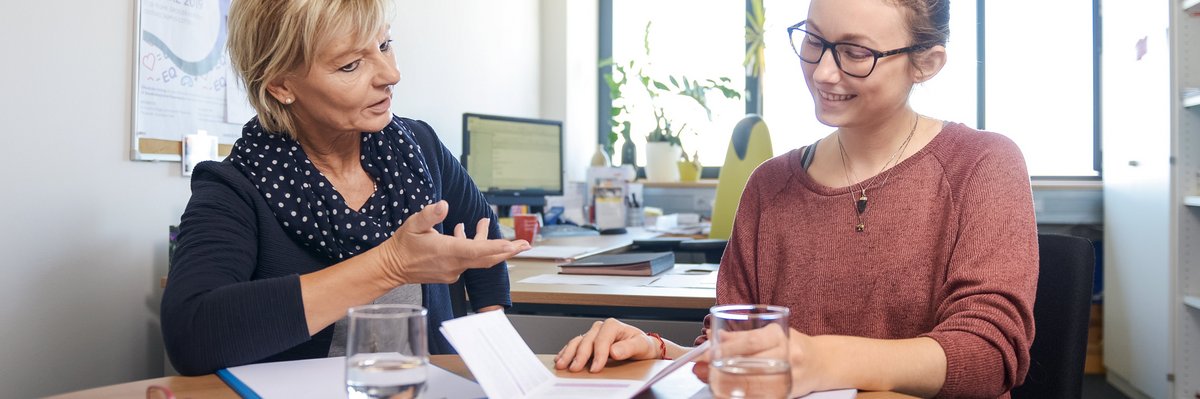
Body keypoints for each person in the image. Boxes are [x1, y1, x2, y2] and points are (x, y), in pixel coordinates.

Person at [555, 0, 1037, 397]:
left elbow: (988, 356)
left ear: (926, 62)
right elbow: (741, 351)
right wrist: (662, 351)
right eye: (813, 40)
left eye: (855, 52)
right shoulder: (770, 186)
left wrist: (828, 360)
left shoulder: (982, 164)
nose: (824, 72)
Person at [161, 0, 530, 376]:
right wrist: (391, 264)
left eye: (385, 45)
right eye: (351, 64)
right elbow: (191, 333)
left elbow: (481, 231)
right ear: (281, 85)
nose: (391, 74)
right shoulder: (235, 187)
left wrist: (494, 347)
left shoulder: (420, 146)